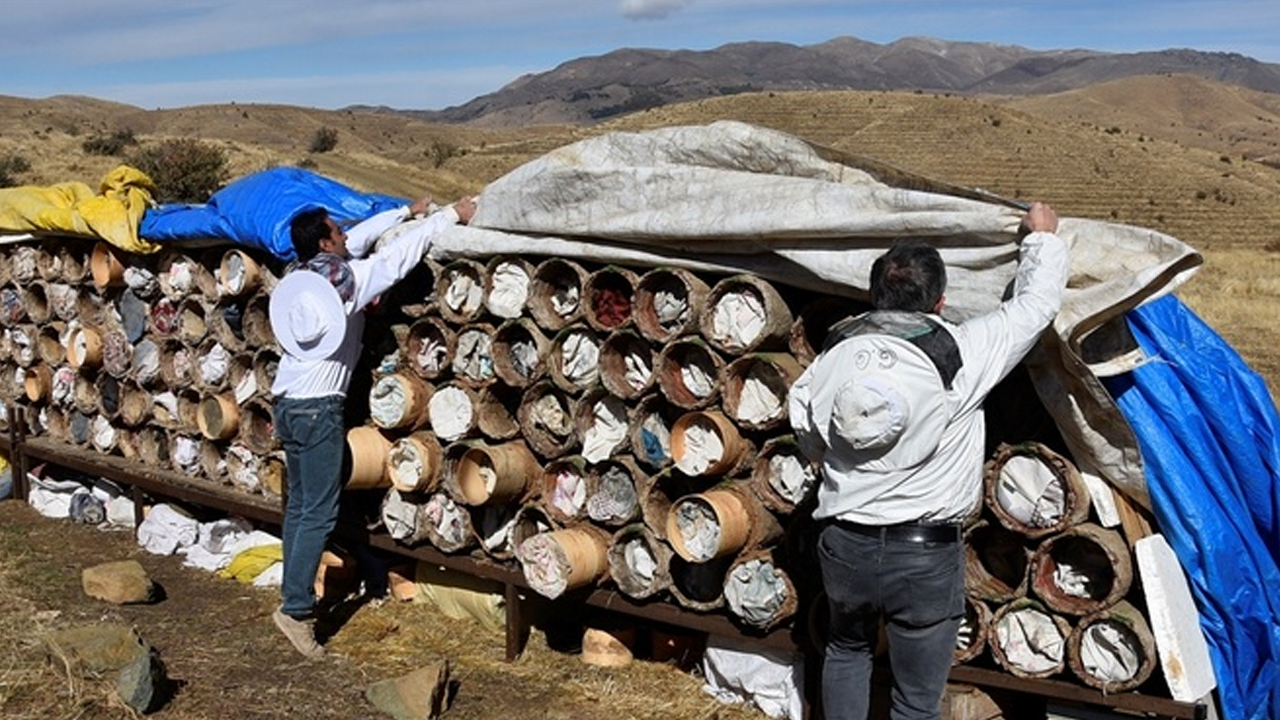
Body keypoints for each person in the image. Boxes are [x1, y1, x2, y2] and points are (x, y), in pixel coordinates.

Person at [787, 202, 1067, 720]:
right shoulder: (963, 352)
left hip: (846, 544)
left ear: (875, 296)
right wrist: (1042, 240)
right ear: (940, 301)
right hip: (924, 556)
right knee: (915, 700)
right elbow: (1035, 305)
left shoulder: (834, 354)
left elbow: (807, 429)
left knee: (846, 650)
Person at [269, 193, 477, 658]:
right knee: (318, 512)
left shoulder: (303, 276)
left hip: (287, 403)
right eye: (337, 231)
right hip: (318, 408)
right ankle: (296, 611)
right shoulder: (347, 284)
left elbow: (358, 240)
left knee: (300, 506)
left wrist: (404, 212)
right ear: (326, 243)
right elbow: (393, 259)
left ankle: (292, 596)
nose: (346, 235)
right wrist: (450, 215)